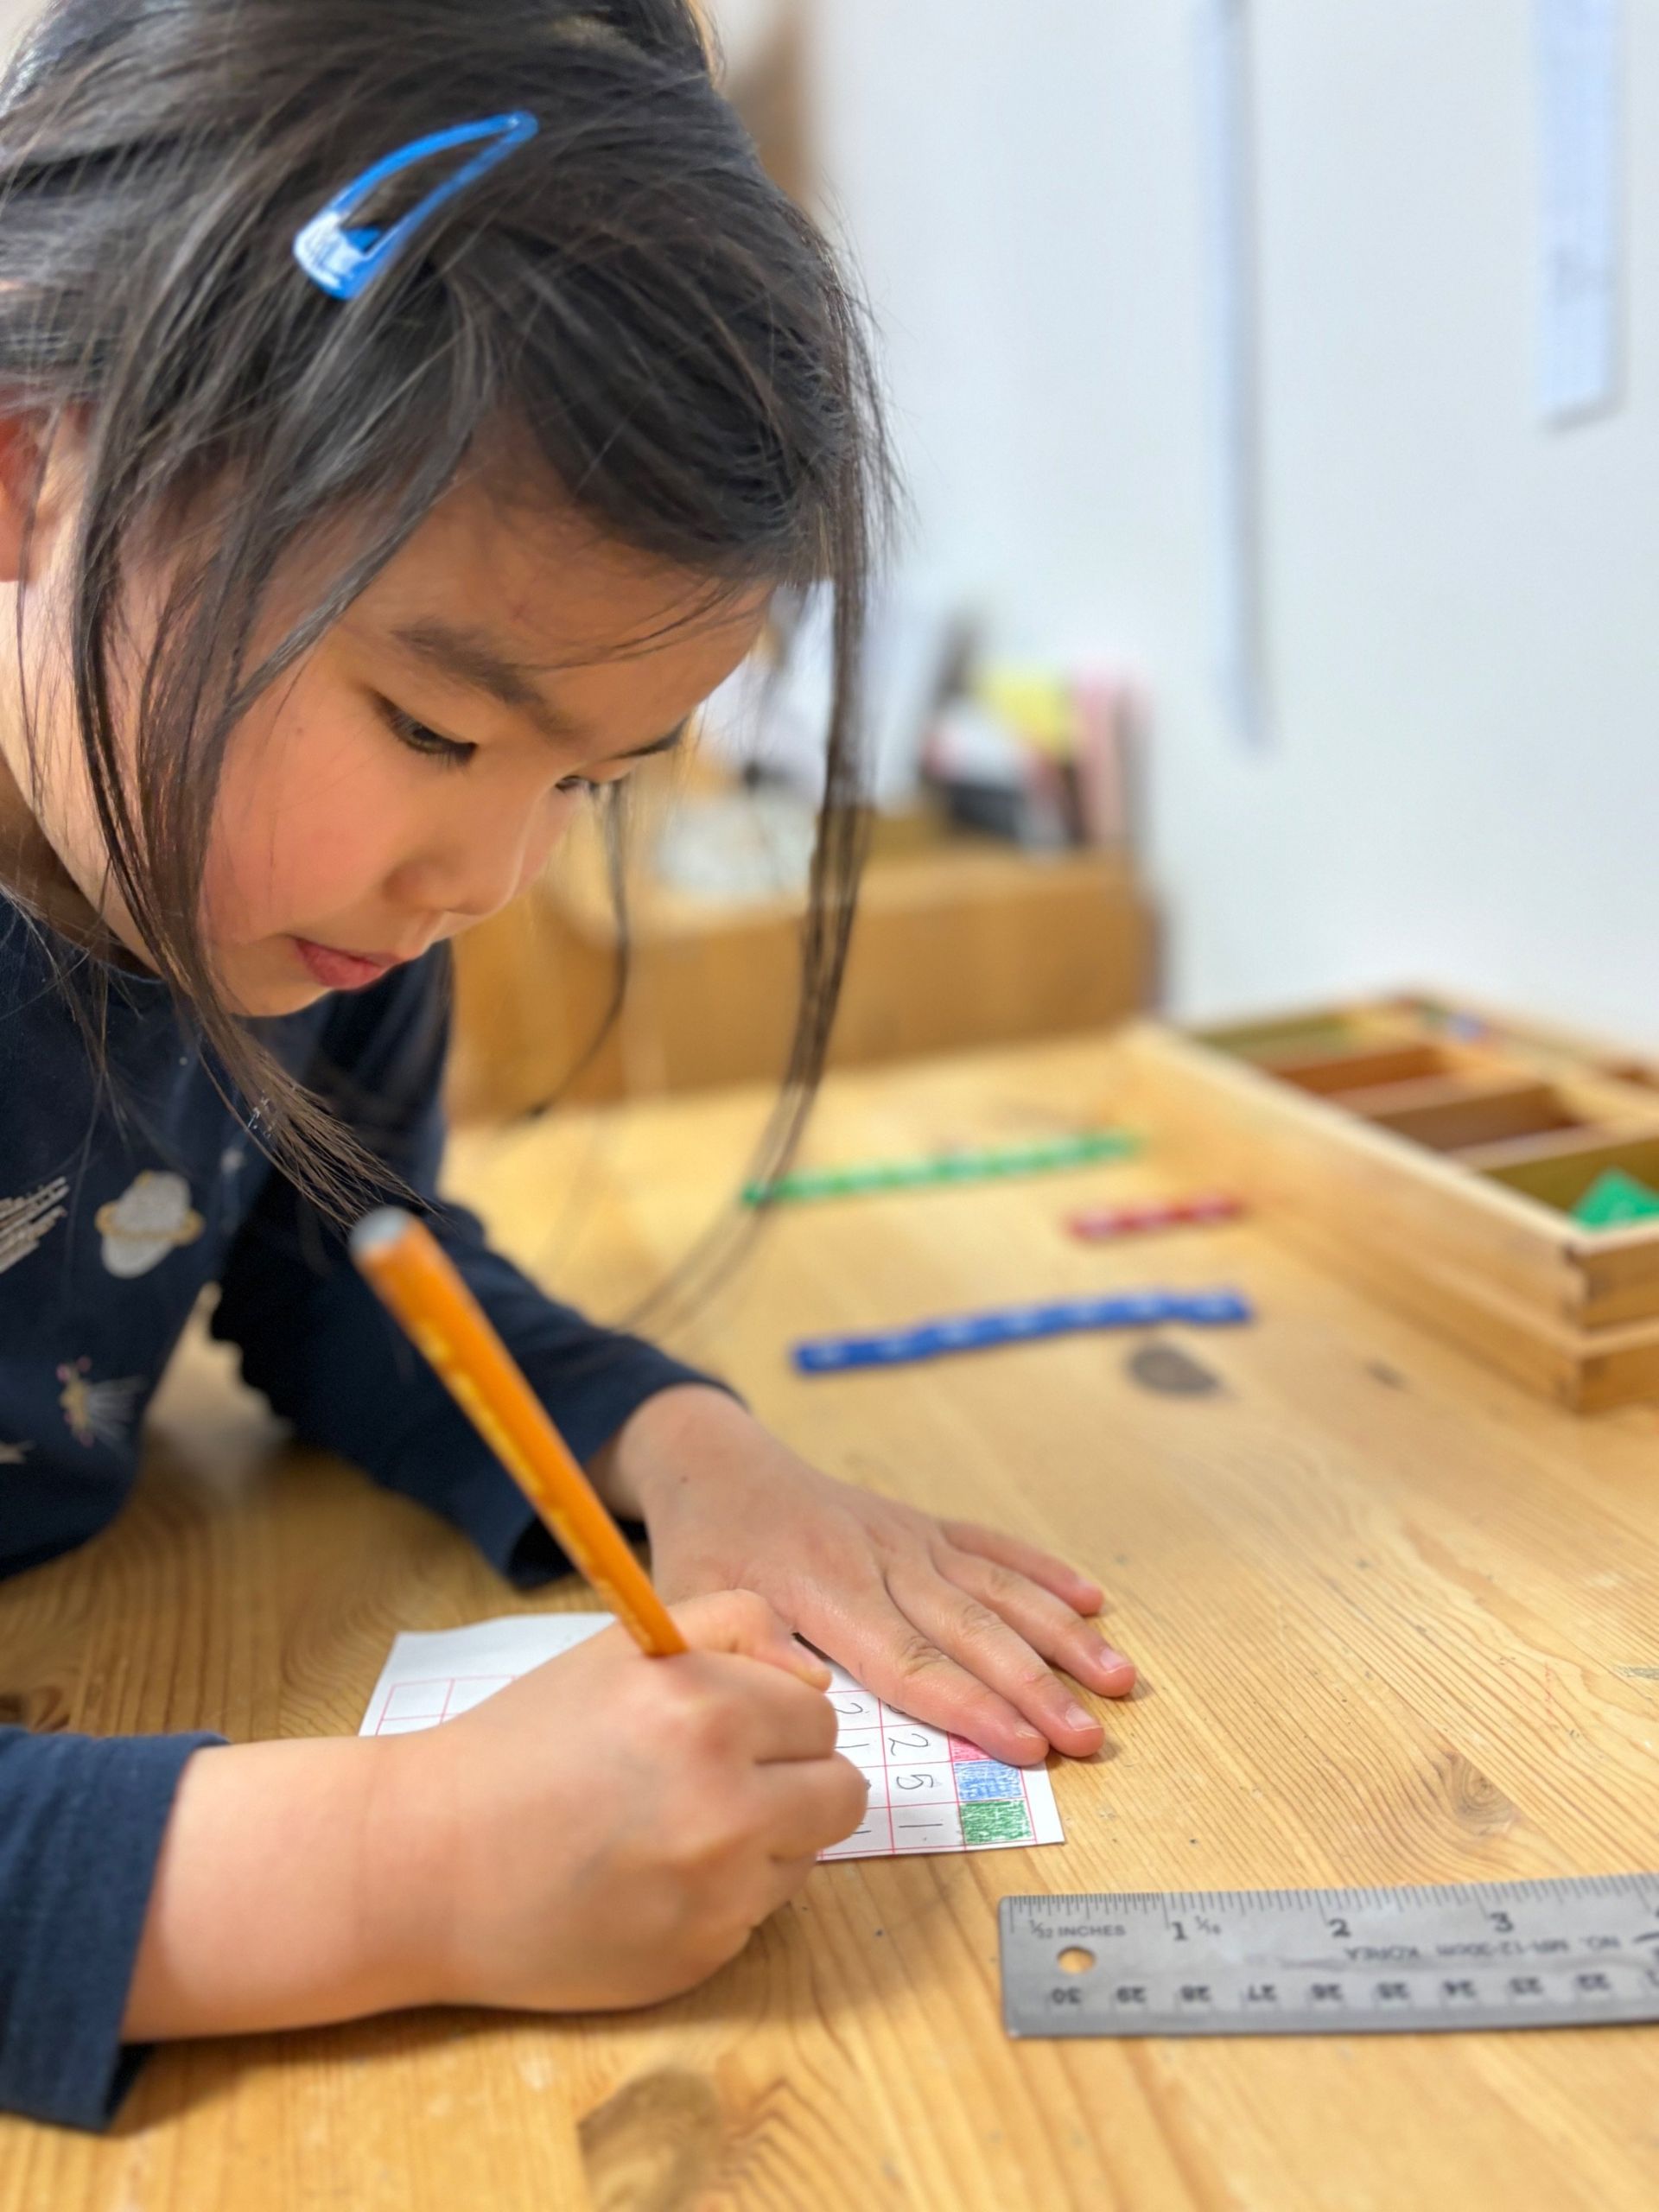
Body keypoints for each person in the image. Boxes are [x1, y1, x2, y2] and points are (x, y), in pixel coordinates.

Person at [0, 0, 1137, 2132]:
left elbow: (351, 1264)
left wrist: (688, 1452)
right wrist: (389, 1868)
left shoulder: (314, 898)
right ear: (28, 468)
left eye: (594, 785)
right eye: (436, 730)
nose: (488, 871)